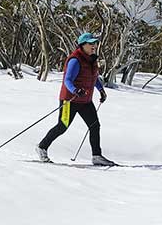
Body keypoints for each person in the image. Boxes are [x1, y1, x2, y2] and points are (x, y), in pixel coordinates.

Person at [37, 32, 115, 166]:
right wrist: (75, 90)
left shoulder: (92, 60)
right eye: (90, 44)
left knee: (94, 126)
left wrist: (101, 90)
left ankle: (97, 156)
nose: (94, 46)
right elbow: (67, 80)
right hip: (69, 100)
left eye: (94, 43)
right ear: (82, 45)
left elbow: (93, 78)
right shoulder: (75, 60)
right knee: (62, 126)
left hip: (85, 101)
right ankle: (42, 147)